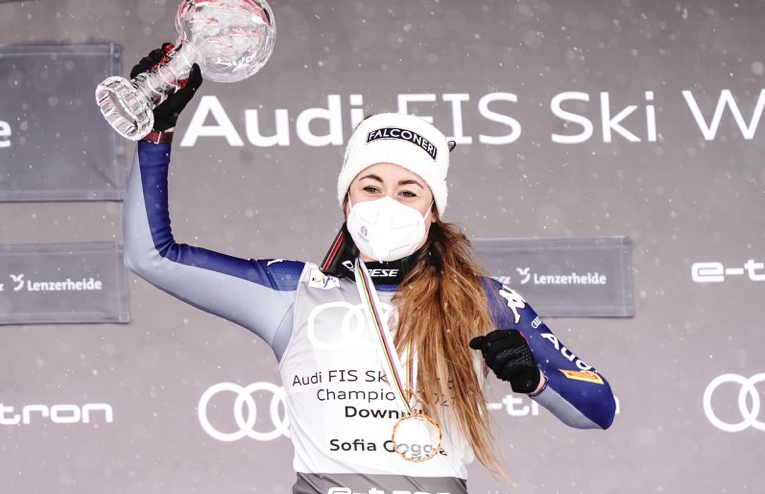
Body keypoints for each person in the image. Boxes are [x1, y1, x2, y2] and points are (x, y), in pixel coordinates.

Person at [122, 46, 616, 494]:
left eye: (408, 192)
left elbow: (600, 409)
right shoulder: (293, 292)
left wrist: (535, 379)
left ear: (432, 211)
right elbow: (152, 257)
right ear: (347, 200)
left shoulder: (479, 299)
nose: (386, 203)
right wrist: (155, 134)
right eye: (371, 187)